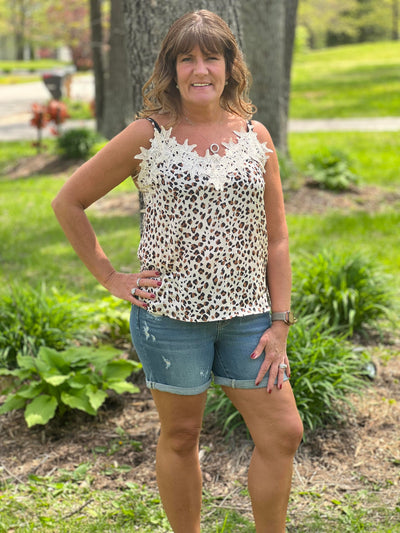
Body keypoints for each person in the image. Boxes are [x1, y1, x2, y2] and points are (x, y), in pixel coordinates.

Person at [52, 9, 303, 533]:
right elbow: (69, 201)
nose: (200, 69)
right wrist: (109, 276)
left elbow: (276, 238)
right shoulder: (148, 135)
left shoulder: (257, 138)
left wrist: (279, 322)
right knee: (182, 435)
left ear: (230, 66)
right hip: (169, 321)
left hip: (250, 320)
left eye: (211, 56)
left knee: (282, 433)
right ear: (171, 68)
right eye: (186, 58)